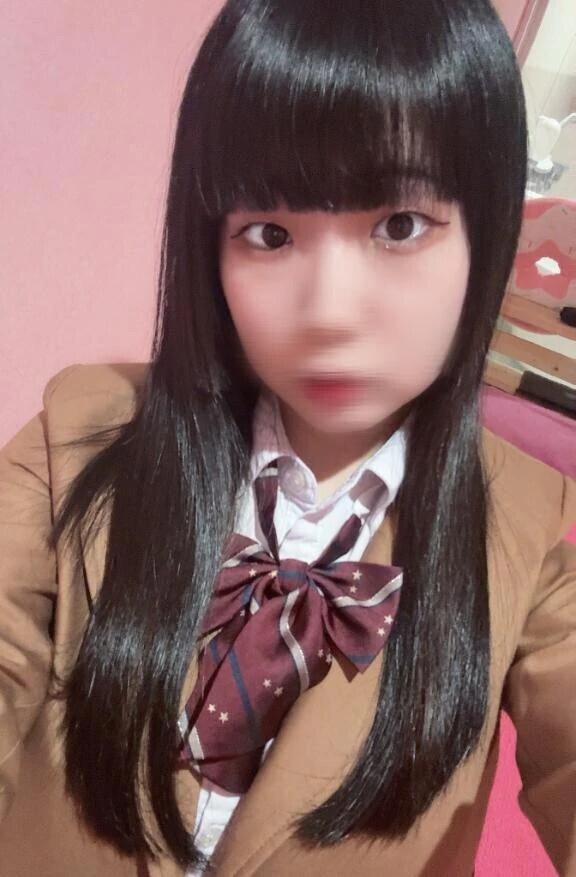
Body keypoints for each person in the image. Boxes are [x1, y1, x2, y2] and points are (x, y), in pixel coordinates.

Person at [0, 1, 574, 875]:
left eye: (399, 225)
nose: (328, 311)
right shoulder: (76, 438)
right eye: (268, 234)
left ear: (485, 233)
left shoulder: (528, 534)